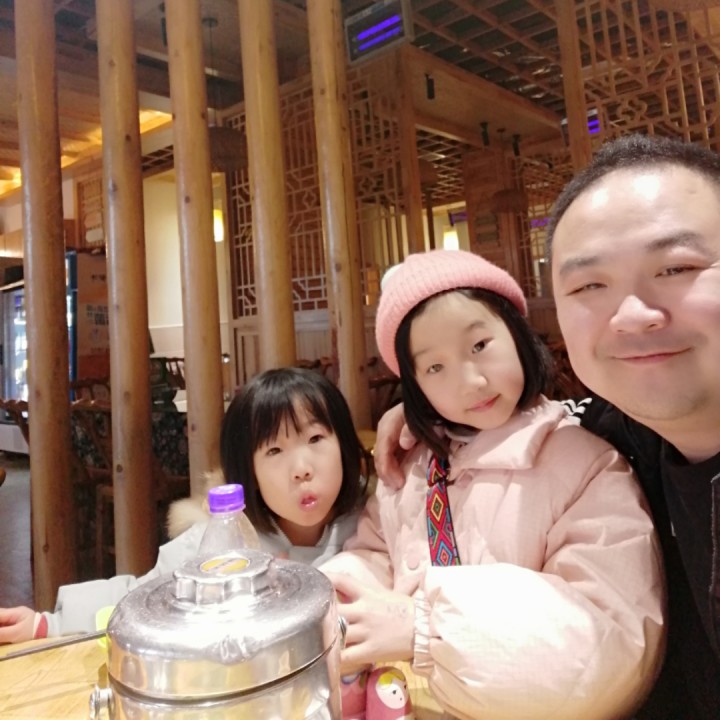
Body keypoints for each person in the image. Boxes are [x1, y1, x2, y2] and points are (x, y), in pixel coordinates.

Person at [374, 134, 720, 719]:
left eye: (676, 267)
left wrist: (422, 625)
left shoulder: (590, 463)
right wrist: (427, 416)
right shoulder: (620, 430)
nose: (633, 315)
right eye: (590, 286)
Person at [322, 249, 665, 720]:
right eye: (434, 368)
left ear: (517, 335)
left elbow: (610, 647)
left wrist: (422, 629)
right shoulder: (414, 463)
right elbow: (378, 552)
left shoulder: (586, 464)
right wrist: (338, 593)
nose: (470, 381)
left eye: (480, 345)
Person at [0, 367, 366, 643]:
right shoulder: (220, 543)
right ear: (247, 473)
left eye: (315, 438)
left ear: (345, 445)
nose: (302, 468)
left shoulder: (376, 523)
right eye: (274, 450)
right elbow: (143, 599)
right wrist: (47, 624)